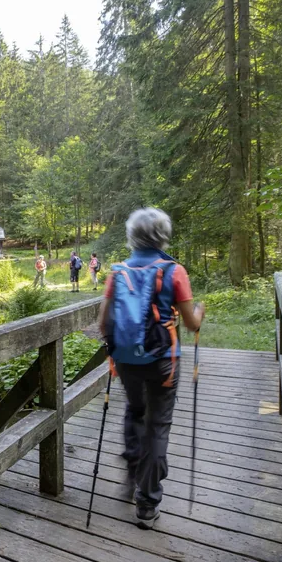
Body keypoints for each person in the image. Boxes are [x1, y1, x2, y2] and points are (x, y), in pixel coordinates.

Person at [97, 207, 204, 529]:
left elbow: (103, 324)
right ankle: (147, 503)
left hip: (127, 360)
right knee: (157, 425)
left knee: (134, 410)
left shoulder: (118, 272)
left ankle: (132, 472)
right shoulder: (174, 271)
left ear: (132, 236)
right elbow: (191, 323)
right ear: (163, 236)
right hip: (164, 362)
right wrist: (200, 310)